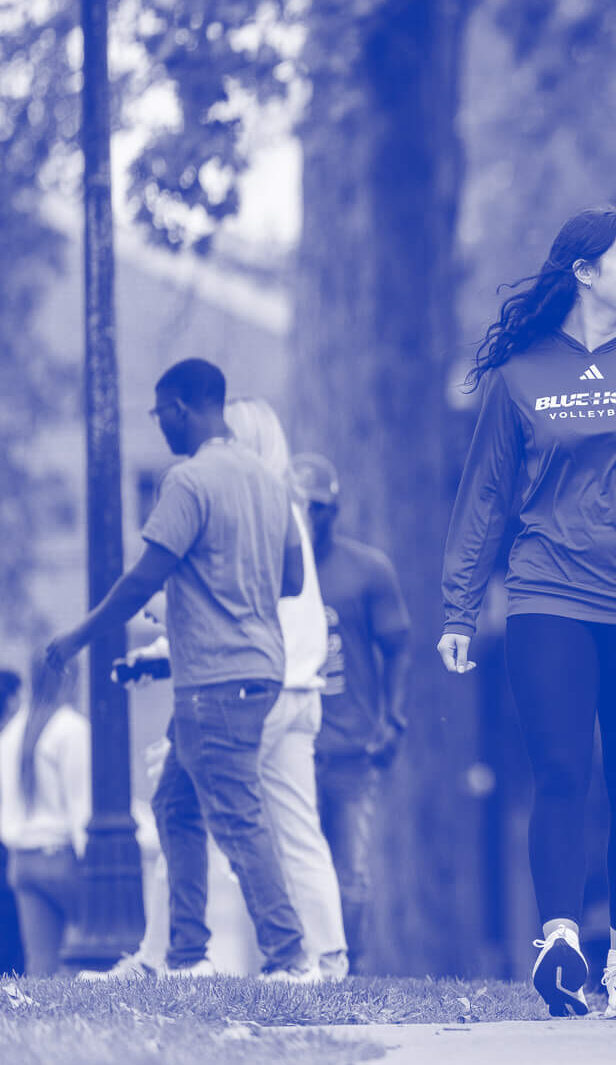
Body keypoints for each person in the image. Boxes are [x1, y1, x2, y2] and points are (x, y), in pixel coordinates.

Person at [440, 208, 616, 1019]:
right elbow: (484, 496)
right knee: (560, 771)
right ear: (583, 272)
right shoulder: (519, 375)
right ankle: (559, 941)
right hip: (546, 593)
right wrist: (459, 607)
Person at [41, 357, 318, 982]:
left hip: (214, 680)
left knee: (238, 818)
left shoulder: (188, 482)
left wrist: (78, 635)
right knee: (175, 802)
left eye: (160, 414)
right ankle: (188, 956)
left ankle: (289, 957)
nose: (160, 425)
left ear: (182, 409)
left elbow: (144, 579)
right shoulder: (267, 479)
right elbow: (293, 579)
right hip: (258, 669)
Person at [222, 397, 351, 980]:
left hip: (263, 688)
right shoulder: (290, 509)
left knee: (193, 810)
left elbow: (242, 603)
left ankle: (176, 954)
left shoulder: (253, 506)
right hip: (303, 689)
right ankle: (328, 955)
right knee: (300, 830)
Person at [291, 452, 410, 976]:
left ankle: (350, 969)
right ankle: (298, 964)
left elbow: (398, 647)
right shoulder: (273, 571)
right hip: (292, 742)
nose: (306, 515)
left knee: (350, 870)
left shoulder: (367, 570)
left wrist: (393, 720)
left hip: (351, 746)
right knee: (293, 862)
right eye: (297, 504)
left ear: (333, 510)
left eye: (316, 506)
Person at [0, 665, 89, 975]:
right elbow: (81, 803)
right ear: (71, 679)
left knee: (40, 966)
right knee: (87, 958)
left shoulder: (11, 731)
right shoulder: (71, 728)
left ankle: (40, 1011)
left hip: (21, 862)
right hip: (62, 858)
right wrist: (91, 861)